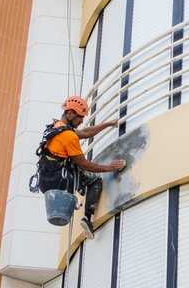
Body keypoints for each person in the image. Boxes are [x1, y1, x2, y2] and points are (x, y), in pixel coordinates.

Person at [32, 95, 126, 237]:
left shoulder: (56, 127)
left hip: (47, 177)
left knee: (80, 170)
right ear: (70, 113)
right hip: (59, 180)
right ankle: (87, 218)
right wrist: (110, 167)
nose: (82, 121)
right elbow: (84, 164)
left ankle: (84, 208)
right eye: (80, 117)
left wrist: (107, 124)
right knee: (95, 180)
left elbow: (86, 133)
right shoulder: (68, 136)